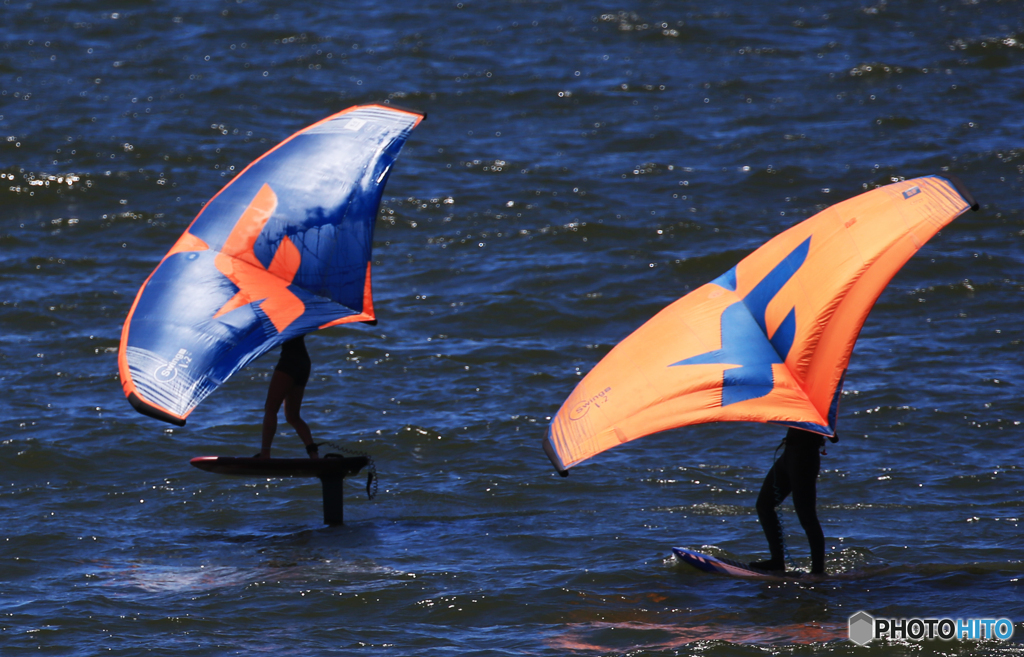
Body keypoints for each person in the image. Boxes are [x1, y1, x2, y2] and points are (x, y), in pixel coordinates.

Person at [749, 427, 835, 575]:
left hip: (805, 458)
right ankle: (777, 561)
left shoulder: (818, 407)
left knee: (807, 516)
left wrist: (820, 425)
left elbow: (833, 436)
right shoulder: (800, 403)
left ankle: (818, 572)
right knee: (764, 505)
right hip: (788, 454)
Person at [256, 335, 319, 459]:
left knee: (271, 409)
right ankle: (314, 454)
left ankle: (265, 454)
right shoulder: (297, 318)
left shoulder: (280, 318)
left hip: (289, 362)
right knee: (292, 416)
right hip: (304, 362)